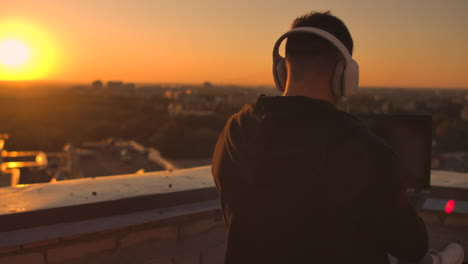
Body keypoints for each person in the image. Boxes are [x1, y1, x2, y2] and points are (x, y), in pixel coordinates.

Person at [212, 11, 463, 264]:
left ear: (281, 70)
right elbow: (413, 247)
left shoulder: (234, 131)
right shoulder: (363, 150)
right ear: (344, 75)